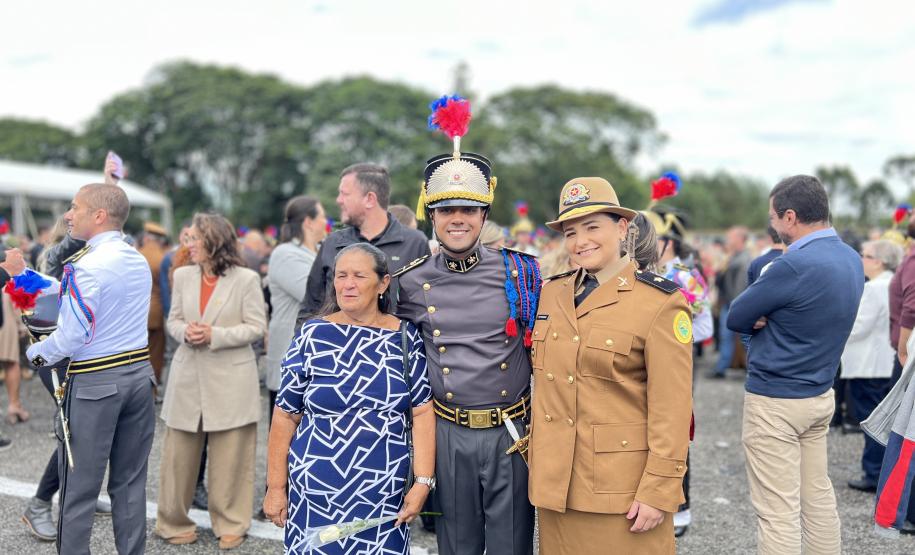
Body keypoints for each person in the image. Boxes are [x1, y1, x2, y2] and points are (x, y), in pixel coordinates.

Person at [395, 101, 539, 554]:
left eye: (468, 209)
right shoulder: (409, 281)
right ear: (431, 216)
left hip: (511, 433)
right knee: (455, 545)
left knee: (511, 545)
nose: (457, 218)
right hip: (447, 432)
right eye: (446, 210)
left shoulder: (523, 273)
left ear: (484, 215)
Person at [529, 177, 692, 554]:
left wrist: (659, 489)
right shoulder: (553, 293)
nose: (580, 241)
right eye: (571, 232)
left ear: (621, 228)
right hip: (556, 487)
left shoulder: (659, 303)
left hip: (623, 492)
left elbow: (673, 408)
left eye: (592, 227)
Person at [264, 243, 434, 554]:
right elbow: (285, 414)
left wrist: (423, 482)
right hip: (315, 489)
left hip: (382, 491)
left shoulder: (405, 337)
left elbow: (422, 412)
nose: (348, 284)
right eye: (341, 276)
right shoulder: (311, 335)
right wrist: (276, 487)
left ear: (383, 284)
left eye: (358, 275)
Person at [16, 182, 156, 555]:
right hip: (139, 377)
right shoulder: (135, 258)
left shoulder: (87, 264)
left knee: (78, 490)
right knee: (129, 486)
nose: (68, 215)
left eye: (75, 208)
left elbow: (71, 336)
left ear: (99, 215)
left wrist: (37, 355)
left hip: (97, 381)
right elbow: (67, 292)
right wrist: (23, 275)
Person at [727, 175, 864, 554]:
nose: (772, 225)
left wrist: (760, 327)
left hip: (777, 399)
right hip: (820, 392)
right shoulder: (852, 258)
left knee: (778, 512)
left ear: (790, 217)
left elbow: (736, 315)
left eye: (773, 217)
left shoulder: (794, 265)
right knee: (817, 498)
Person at [155, 213, 268, 550]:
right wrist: (185, 332)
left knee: (231, 458)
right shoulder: (183, 276)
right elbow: (172, 320)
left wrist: (214, 334)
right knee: (178, 458)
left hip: (232, 379)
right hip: (188, 377)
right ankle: (172, 522)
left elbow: (256, 327)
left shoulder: (246, 279)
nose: (187, 245)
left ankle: (232, 523)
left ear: (214, 241)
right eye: (187, 238)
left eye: (194, 239)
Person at [643, 199, 712, 539]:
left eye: (653, 238)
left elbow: (695, 325)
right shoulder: (637, 270)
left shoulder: (686, 277)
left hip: (678, 360)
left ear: (669, 242)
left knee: (676, 430)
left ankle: (681, 505)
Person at [299, 163, 430, 317]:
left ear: (369, 199)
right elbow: (310, 308)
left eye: (344, 194)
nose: (339, 200)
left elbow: (425, 308)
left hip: (395, 340)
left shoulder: (414, 243)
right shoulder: (332, 243)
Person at [842, 239, 903, 492]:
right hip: (882, 361)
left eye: (865, 255)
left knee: (870, 419)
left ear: (878, 261)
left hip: (868, 363)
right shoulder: (893, 282)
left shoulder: (875, 287)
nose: (861, 259)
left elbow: (859, 326)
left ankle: (874, 472)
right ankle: (879, 471)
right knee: (881, 418)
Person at [265, 196, 327, 423]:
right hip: (289, 354)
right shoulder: (285, 253)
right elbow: (315, 294)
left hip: (313, 358)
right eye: (322, 217)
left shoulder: (320, 251)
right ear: (308, 222)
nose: (325, 223)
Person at [712, 226, 751, 378]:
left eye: (731, 237)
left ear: (740, 239)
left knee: (744, 338)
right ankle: (721, 368)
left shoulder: (744, 258)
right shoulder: (733, 256)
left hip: (737, 304)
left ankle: (752, 369)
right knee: (725, 336)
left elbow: (741, 285)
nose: (728, 240)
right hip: (729, 303)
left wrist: (737, 305)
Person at [138, 221, 170, 383]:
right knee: (155, 355)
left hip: (136, 312)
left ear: (147, 237)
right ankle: (152, 389)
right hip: (156, 313)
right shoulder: (162, 257)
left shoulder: (135, 254)